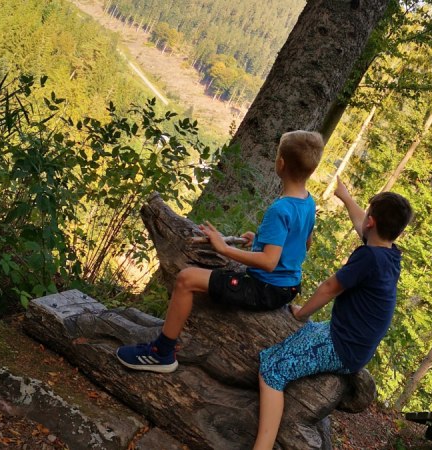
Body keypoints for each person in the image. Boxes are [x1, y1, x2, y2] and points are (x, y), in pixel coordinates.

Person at [116, 130, 324, 373]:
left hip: (266, 289)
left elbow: (268, 262)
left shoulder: (280, 209)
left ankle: (161, 353)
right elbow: (303, 244)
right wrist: (259, 241)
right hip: (288, 287)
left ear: (280, 163)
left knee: (186, 279)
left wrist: (223, 247)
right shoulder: (308, 202)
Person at [253, 178, 413, 449]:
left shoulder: (368, 257)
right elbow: (362, 223)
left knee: (271, 369)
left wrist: (302, 313)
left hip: (342, 345)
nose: (363, 219)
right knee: (294, 340)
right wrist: (346, 197)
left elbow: (330, 288)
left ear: (372, 222)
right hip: (352, 342)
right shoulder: (389, 255)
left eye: (368, 215)